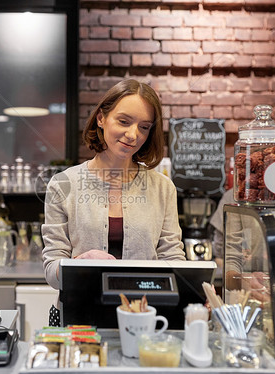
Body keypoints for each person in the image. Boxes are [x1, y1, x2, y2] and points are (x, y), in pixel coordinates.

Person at [41, 79, 186, 325]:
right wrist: (75, 265)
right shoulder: (63, 184)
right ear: (101, 118)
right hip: (79, 318)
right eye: (124, 121)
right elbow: (51, 270)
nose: (133, 135)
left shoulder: (163, 188)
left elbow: (172, 258)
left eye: (144, 127)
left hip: (145, 319)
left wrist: (191, 286)